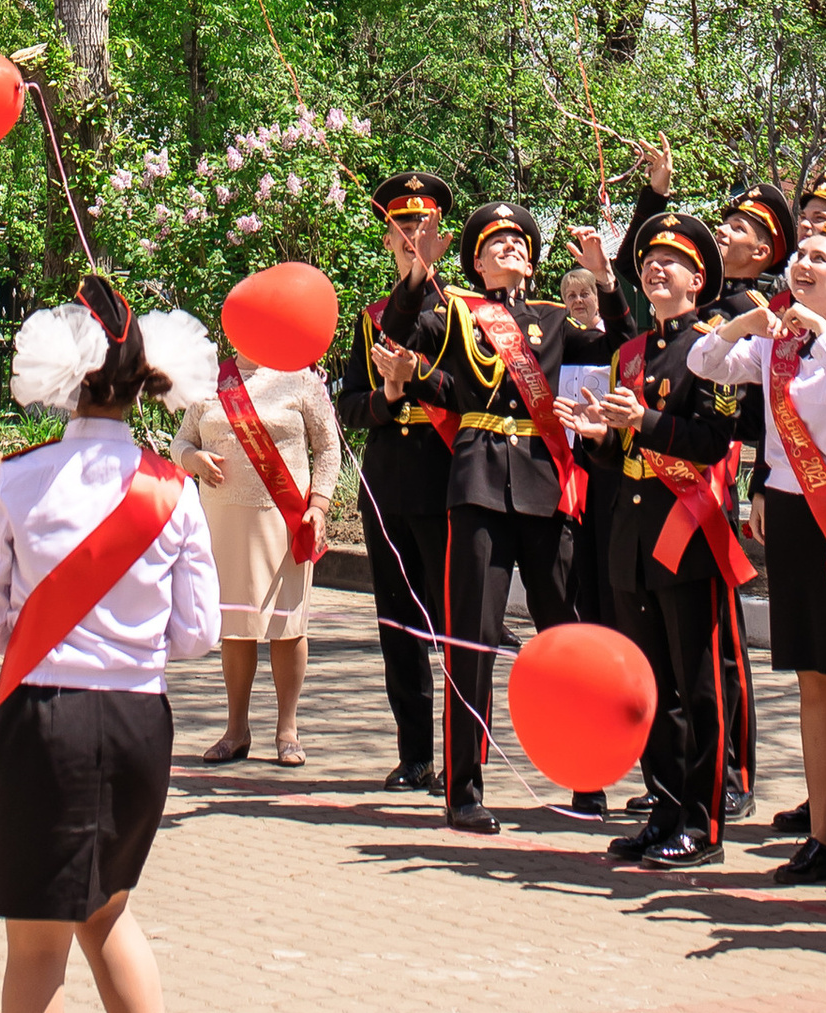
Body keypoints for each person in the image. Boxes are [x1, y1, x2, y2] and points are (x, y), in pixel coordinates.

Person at [0, 275, 219, 1013]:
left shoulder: (21, 480)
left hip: (48, 719)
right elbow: (196, 632)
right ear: (144, 385)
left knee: (36, 945)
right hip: (141, 723)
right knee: (109, 911)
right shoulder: (172, 491)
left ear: (64, 383)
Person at [373, 199, 616, 836]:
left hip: (541, 482)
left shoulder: (556, 320)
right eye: (495, 244)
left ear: (532, 259)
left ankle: (587, 778)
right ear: (475, 261)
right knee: (470, 638)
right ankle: (464, 789)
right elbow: (396, 340)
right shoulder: (452, 310)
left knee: (563, 633)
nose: (510, 249)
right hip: (478, 482)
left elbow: (618, 345)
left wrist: (608, 280)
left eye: (518, 243)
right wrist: (413, 279)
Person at [701, 218, 826, 886]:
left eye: (822, 259)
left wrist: (817, 333)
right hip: (790, 513)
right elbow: (703, 364)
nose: (804, 265)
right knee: (814, 681)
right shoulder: (777, 342)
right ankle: (821, 833)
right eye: (802, 256)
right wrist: (744, 327)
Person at [580, 207, 753, 868]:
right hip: (633, 533)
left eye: (673, 260)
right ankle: (662, 809)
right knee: (649, 686)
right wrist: (601, 436)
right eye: (650, 258)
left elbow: (715, 442)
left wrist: (647, 421)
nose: (657, 267)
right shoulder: (631, 351)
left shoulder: (716, 350)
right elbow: (621, 453)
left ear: (698, 278)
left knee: (701, 687)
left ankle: (703, 824)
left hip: (687, 536)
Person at [330, 167, 455, 793]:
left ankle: (464, 762)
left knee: (454, 627)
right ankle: (415, 754)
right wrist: (386, 396)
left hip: (445, 482)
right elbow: (348, 405)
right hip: (386, 486)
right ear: (387, 238)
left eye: (422, 225)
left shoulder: (467, 312)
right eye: (401, 226)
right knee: (398, 624)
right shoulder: (371, 317)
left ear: (443, 237)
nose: (411, 234)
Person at [175, 318, 338, 766]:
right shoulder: (210, 382)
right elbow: (181, 440)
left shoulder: (301, 380)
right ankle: (235, 729)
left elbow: (328, 448)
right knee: (236, 627)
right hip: (224, 522)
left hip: (284, 522)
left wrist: (319, 506)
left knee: (287, 627)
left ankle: (288, 731)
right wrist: (193, 457)